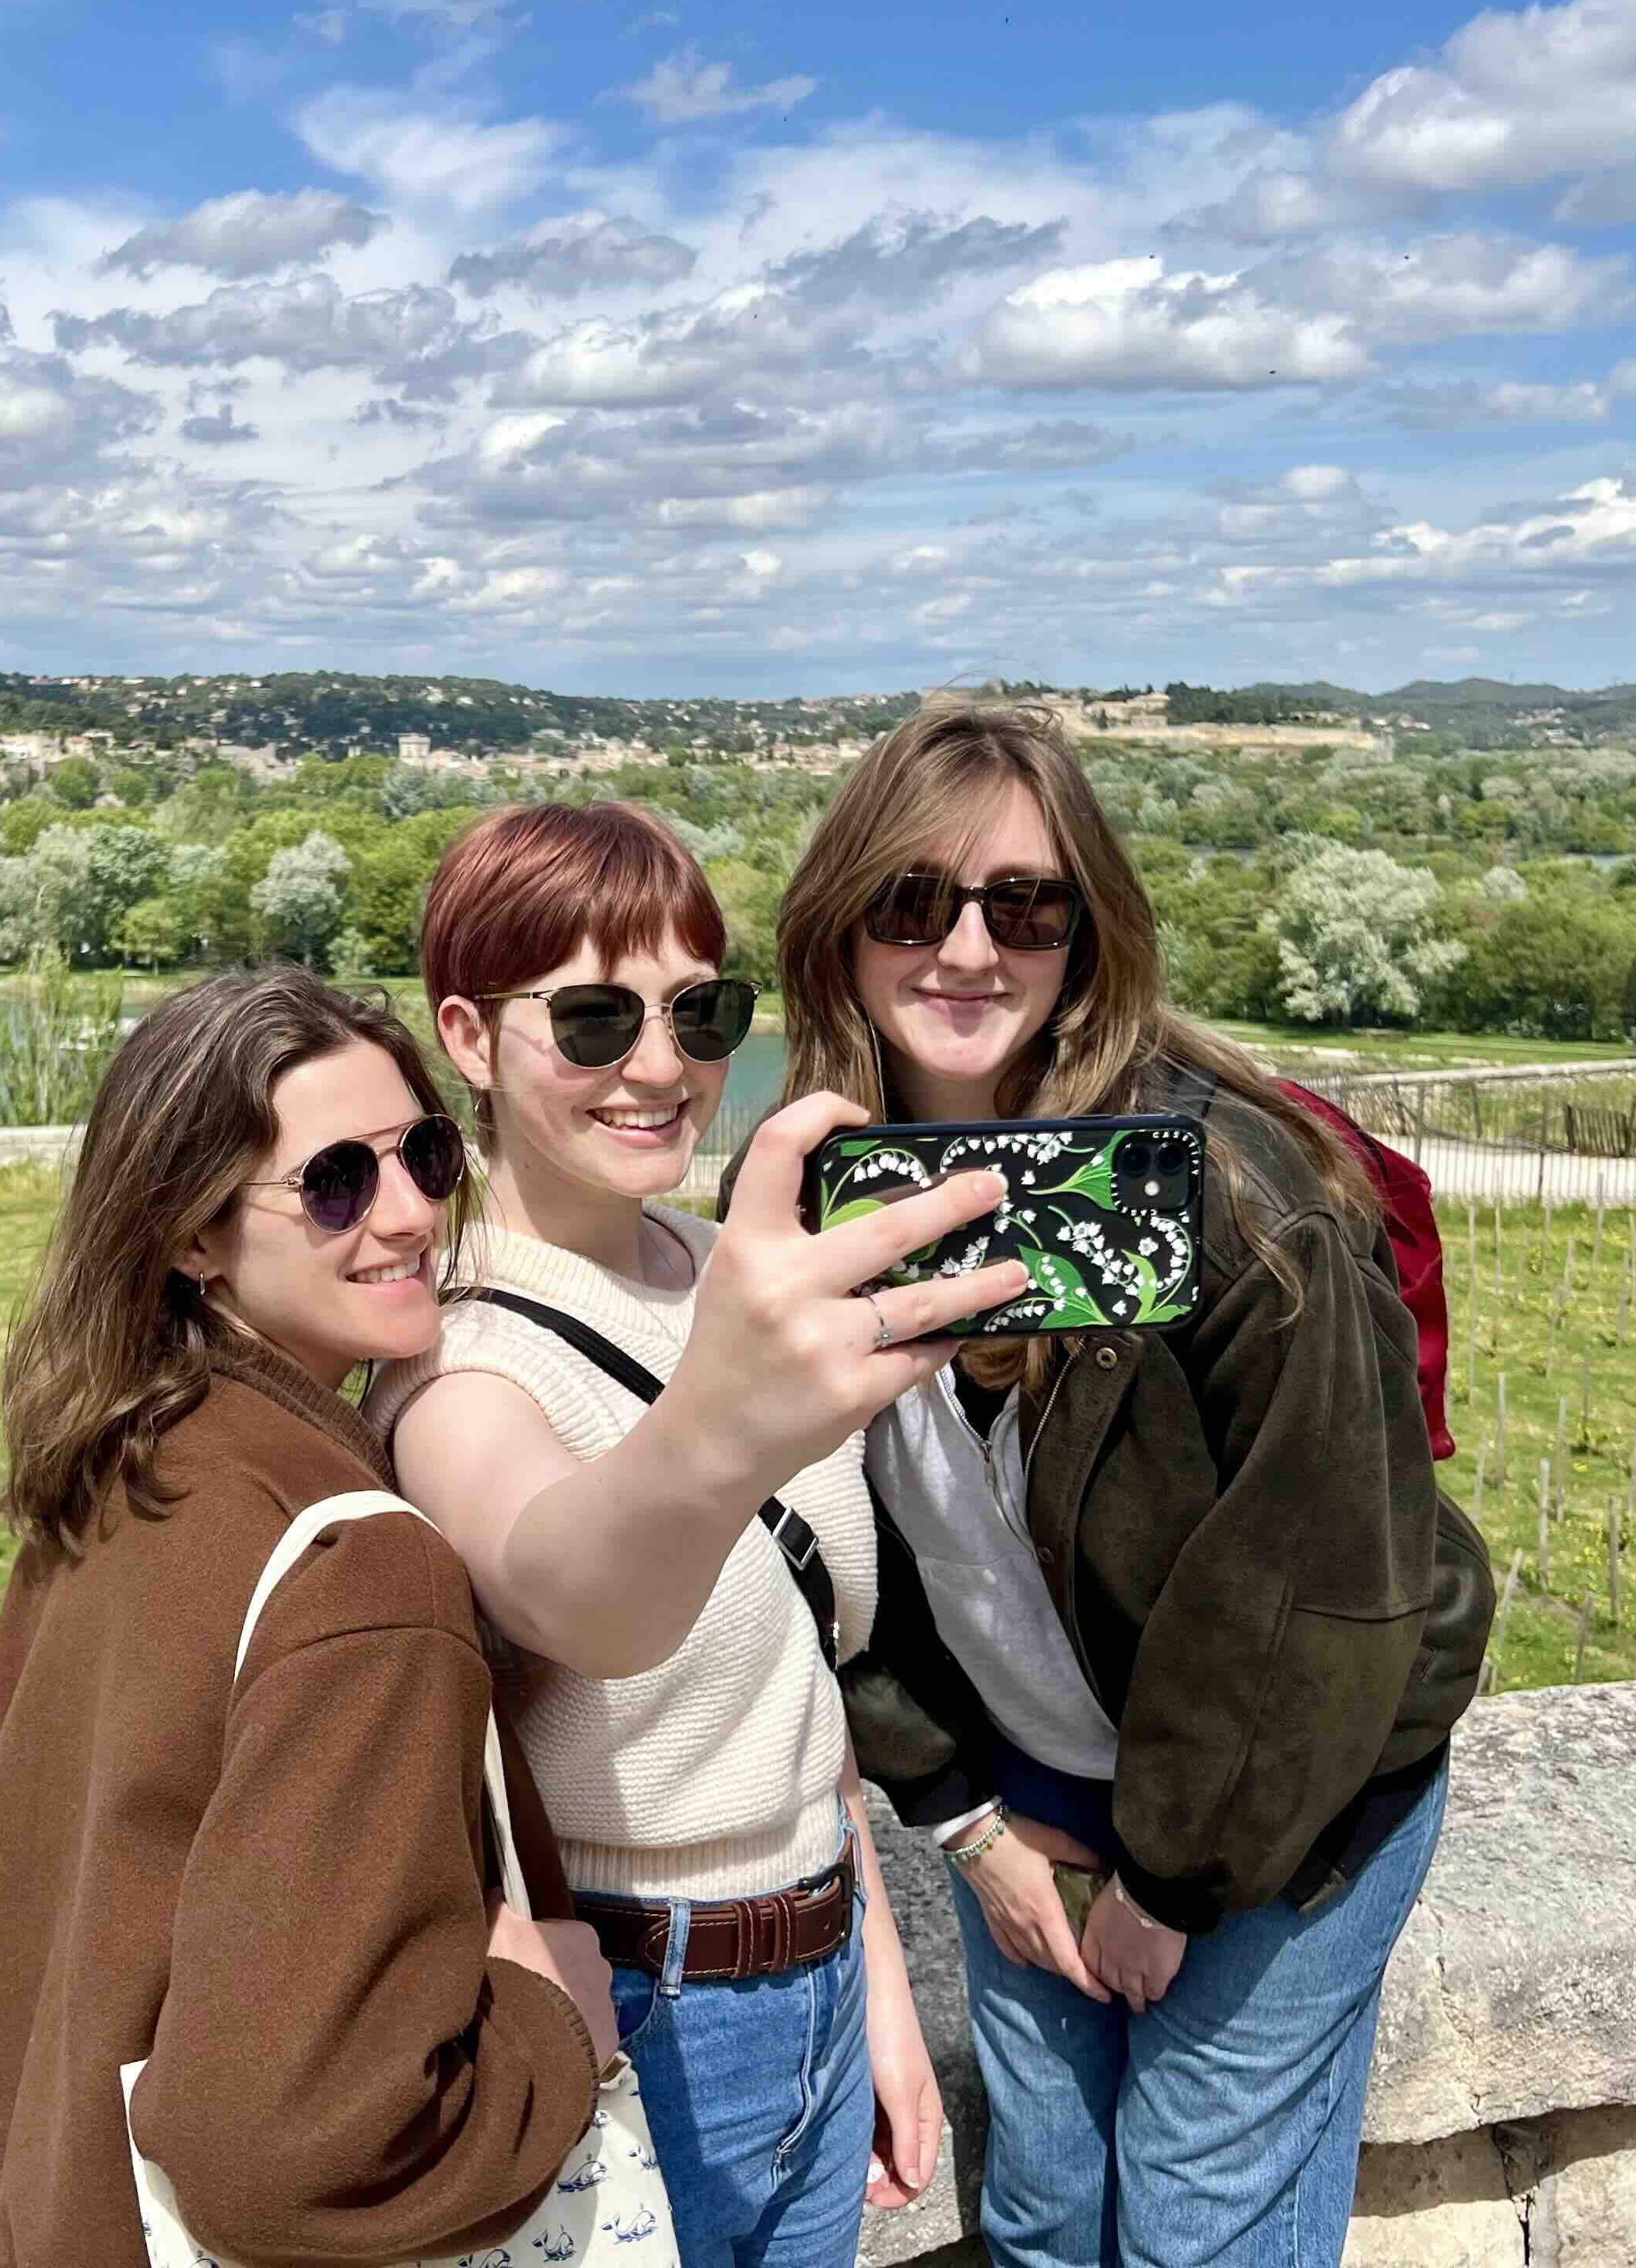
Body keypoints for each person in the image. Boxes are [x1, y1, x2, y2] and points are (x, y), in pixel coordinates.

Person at [765, 706, 1487, 2268]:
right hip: (1030, 1791)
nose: (966, 948)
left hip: (1285, 1798)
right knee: (1042, 2208)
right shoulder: (817, 1192)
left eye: (1023, 904)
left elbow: (1311, 1602)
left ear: (1088, 934)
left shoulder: (1231, 1199)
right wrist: (967, 1826)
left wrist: (1169, 1883)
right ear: (841, 927)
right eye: (912, 901)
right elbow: (812, 1558)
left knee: (1191, 2221)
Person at [370, 803, 1028, 2267]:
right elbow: (573, 1585)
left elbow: (802, 1691)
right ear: (470, 1038)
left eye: (700, 1009)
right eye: (596, 1017)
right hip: (630, 2012)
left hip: (816, 1978)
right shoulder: (460, 1356)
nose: (660, 1066)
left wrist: (876, 1998)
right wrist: (722, 1424)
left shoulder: (726, 1270)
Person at [0, 968, 611, 2268]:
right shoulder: (359, 1570)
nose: (408, 1215)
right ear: (191, 1234)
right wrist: (552, 2026)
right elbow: (278, 2159)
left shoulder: (121, 1462)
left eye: (428, 1156)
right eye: (336, 1181)